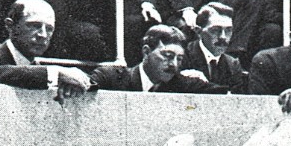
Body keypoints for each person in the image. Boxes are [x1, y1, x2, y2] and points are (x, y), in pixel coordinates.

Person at [0, 0, 91, 99]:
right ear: (10, 26)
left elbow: (94, 81)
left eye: (49, 29)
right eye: (34, 26)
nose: (43, 35)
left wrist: (77, 79)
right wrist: (54, 74)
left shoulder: (40, 68)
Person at [91, 25, 223, 93]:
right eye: (168, 56)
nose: (174, 64)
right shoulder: (111, 77)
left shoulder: (180, 82)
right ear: (146, 52)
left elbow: (225, 92)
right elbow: (86, 84)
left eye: (180, 58)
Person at [181, 2, 248, 94]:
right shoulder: (183, 57)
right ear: (198, 31)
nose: (223, 37)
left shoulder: (233, 64)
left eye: (228, 30)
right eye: (216, 30)